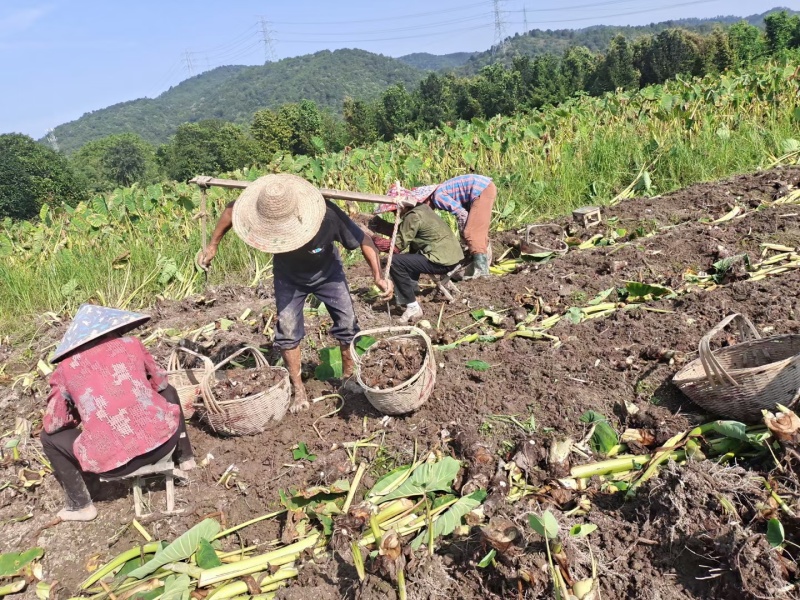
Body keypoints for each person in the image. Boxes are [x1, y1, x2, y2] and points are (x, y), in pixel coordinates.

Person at [199, 174, 392, 412]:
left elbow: (364, 239)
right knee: (288, 330)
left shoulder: (327, 215)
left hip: (328, 274)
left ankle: (349, 378)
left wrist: (378, 276)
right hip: (288, 277)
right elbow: (231, 210)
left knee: (347, 323)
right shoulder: (264, 212)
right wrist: (213, 245)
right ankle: (298, 390)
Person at [41, 304, 195, 522]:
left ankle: (81, 505)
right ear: (112, 329)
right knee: (169, 392)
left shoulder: (64, 369)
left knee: (48, 438)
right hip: (163, 445)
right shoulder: (132, 344)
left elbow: (54, 423)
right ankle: (186, 457)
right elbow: (161, 382)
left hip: (114, 468)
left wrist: (79, 413)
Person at [372, 197, 464, 323]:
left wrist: (371, 238)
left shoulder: (412, 217)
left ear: (403, 206)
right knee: (409, 257)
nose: (394, 214)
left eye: (395, 210)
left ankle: (412, 306)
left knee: (395, 261)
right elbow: (403, 232)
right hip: (453, 256)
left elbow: (395, 247)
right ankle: (412, 291)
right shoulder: (422, 209)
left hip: (442, 260)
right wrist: (379, 225)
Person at [385, 175, 497, 278]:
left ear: (426, 199)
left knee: (471, 233)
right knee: (475, 232)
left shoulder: (438, 196)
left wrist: (464, 237)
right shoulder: (439, 193)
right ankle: (479, 266)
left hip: (482, 190)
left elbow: (461, 214)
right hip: (482, 188)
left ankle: (482, 272)